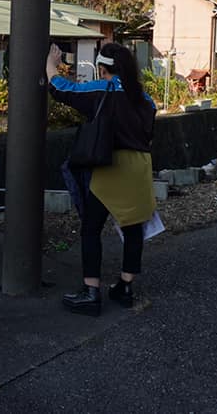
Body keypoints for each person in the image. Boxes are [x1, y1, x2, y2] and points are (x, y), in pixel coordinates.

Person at [46, 42, 156, 316]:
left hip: (110, 166)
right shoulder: (145, 98)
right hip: (140, 167)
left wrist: (51, 63)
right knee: (133, 229)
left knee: (91, 229)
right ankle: (125, 287)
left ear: (102, 68)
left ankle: (91, 290)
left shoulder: (101, 90)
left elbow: (61, 89)